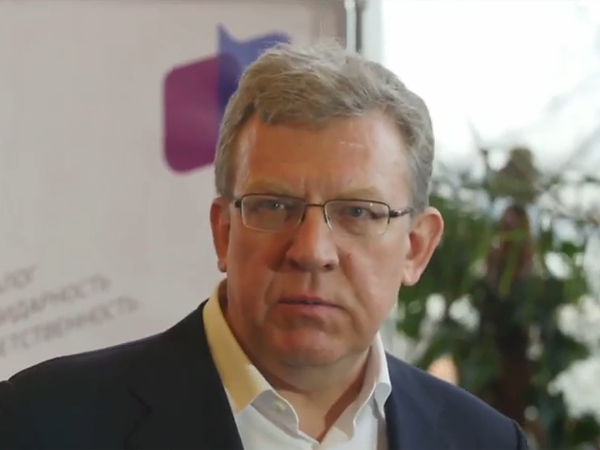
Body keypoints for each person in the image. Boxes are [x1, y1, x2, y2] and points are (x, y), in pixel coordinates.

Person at [0, 41, 529, 450]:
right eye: (274, 206)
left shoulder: (486, 442)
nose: (312, 250)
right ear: (223, 231)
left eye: (357, 212)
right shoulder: (39, 423)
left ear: (415, 247)